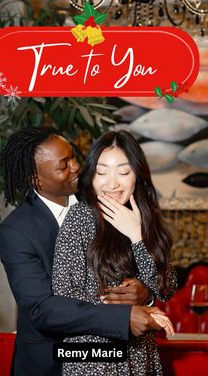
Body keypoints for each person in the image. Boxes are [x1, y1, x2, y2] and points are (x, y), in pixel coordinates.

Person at [0, 126, 165, 376]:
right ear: (36, 178)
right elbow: (42, 309)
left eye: (74, 156)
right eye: (64, 165)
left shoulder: (108, 199)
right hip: (51, 363)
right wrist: (122, 317)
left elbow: (151, 271)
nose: (76, 166)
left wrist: (145, 292)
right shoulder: (16, 231)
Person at [52, 130, 177, 376]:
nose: (112, 183)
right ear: (91, 176)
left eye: (123, 172)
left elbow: (166, 287)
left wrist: (137, 236)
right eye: (101, 172)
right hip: (94, 357)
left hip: (141, 356)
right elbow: (64, 294)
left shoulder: (145, 217)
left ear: (138, 175)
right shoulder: (80, 218)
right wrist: (127, 312)